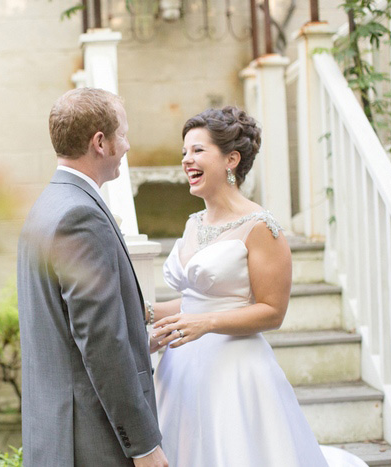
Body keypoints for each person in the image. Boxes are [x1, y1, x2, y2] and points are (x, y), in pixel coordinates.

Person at [148, 107, 367, 466]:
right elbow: (195, 301)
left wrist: (206, 325)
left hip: (235, 371)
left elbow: (272, 311)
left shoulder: (261, 226)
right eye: (185, 152)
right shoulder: (193, 223)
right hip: (181, 367)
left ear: (231, 159)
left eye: (198, 150)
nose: (187, 160)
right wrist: (149, 312)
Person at [17, 88, 168, 467]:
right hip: (90, 441)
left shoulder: (48, 205)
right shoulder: (79, 217)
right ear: (100, 142)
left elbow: (67, 328)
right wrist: (145, 447)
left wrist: (138, 340)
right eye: (124, 134)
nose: (129, 145)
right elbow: (101, 343)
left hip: (56, 432)